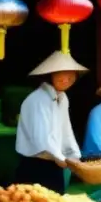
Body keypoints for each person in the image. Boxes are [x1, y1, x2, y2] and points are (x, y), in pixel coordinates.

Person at [15, 52, 86, 191]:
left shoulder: (63, 98)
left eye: (71, 74)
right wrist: (61, 158)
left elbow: (66, 131)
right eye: (61, 73)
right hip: (35, 166)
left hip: (54, 164)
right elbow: (42, 138)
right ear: (50, 75)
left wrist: (74, 155)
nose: (67, 79)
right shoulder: (38, 99)